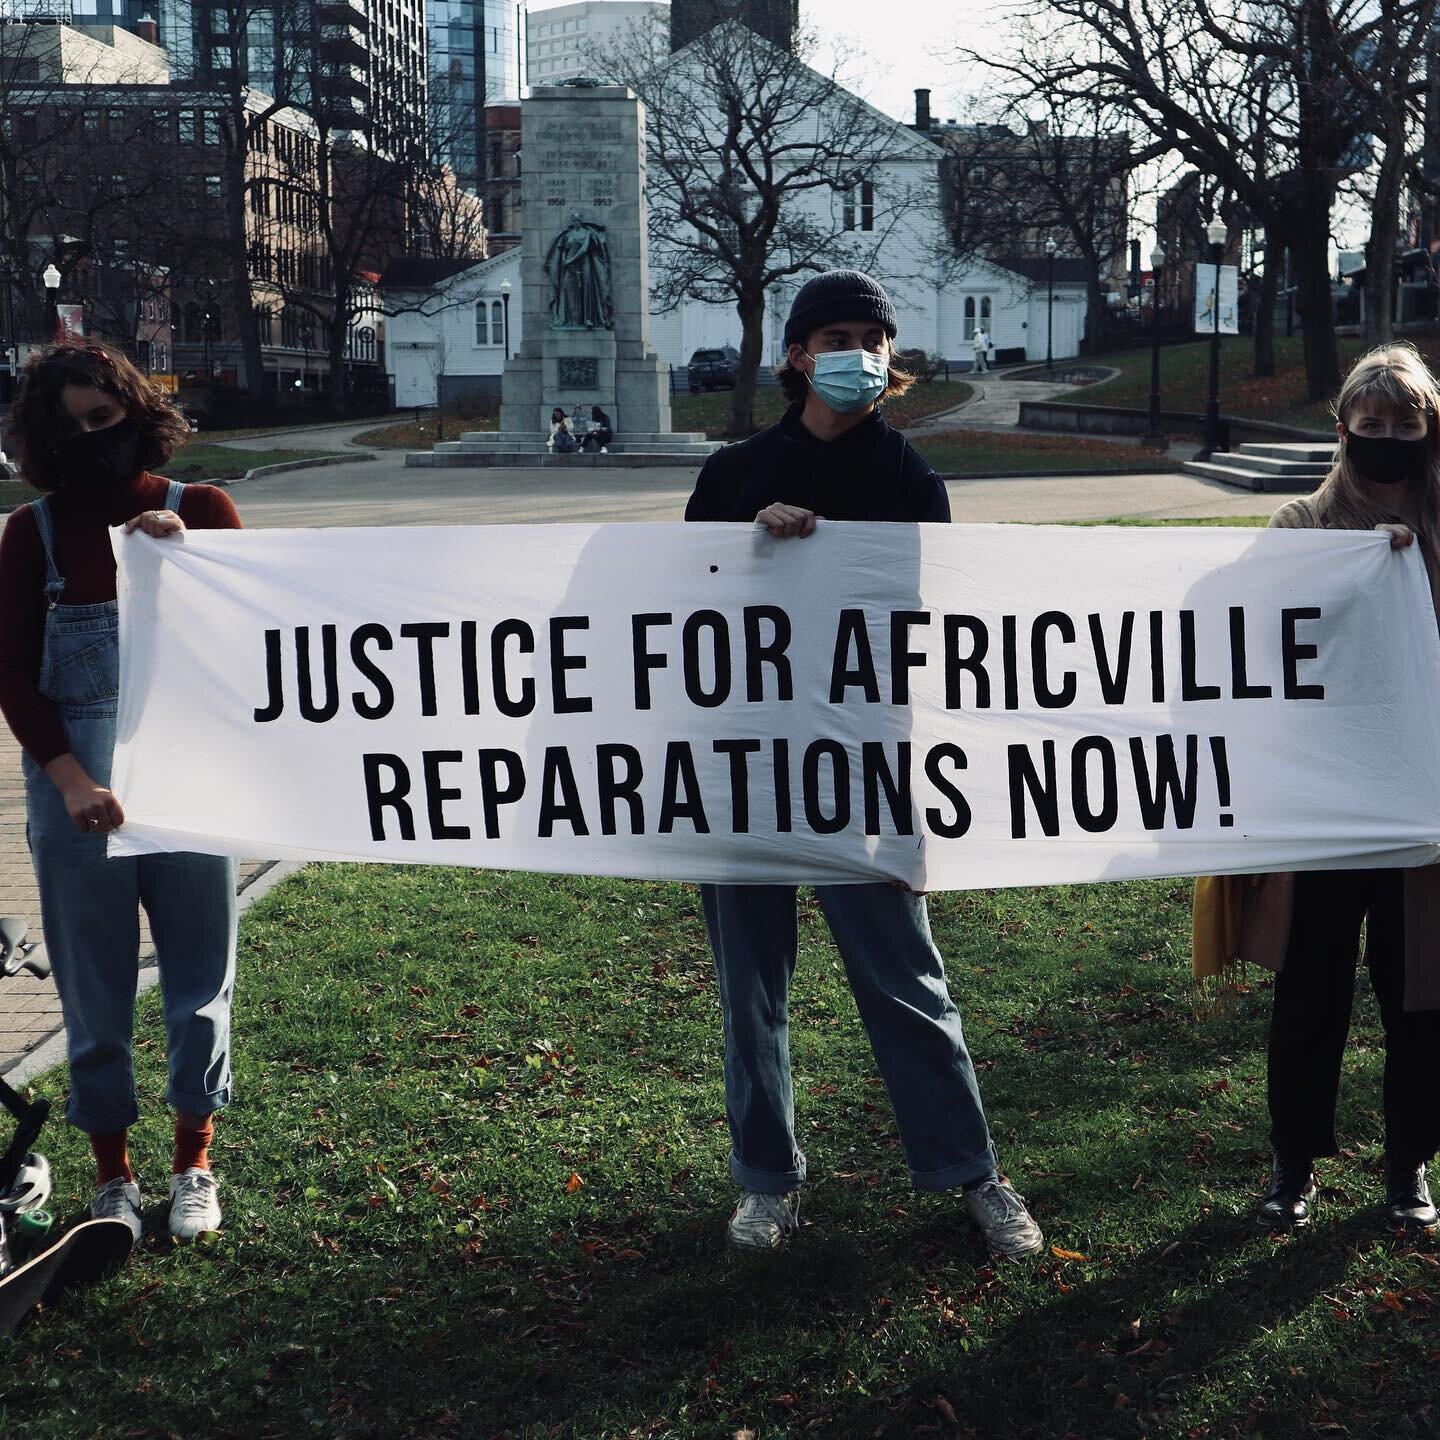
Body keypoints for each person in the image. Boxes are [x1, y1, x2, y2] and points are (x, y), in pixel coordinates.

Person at [684, 269, 1044, 1259]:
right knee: (749, 984)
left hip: (866, 764)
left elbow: (934, 626)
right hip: (746, 762)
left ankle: (971, 1171)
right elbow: (678, 609)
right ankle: (766, 1180)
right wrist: (749, 548)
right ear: (797, 354)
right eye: (835, 336)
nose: (857, 354)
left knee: (904, 975)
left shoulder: (906, 478)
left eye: (871, 338)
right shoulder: (733, 473)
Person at [1193, 342, 1440, 1235]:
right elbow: (1225, 617)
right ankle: (1292, 1164)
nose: (1385, 439)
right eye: (1368, 425)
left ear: (1428, 430)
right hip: (1327, 808)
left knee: (1421, 994)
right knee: (1311, 993)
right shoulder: (1303, 524)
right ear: (1343, 430)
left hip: (1422, 810)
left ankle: (1408, 1165)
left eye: (1402, 425)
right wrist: (1351, 578)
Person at [0, 342, 242, 1243]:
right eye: (68, 428)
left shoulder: (204, 510)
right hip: (75, 805)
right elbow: (16, 677)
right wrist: (70, 781)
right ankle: (113, 1178)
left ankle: (193, 1161)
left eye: (103, 419)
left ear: (137, 411)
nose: (90, 440)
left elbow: (259, 648)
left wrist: (192, 570)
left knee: (199, 981)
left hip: (191, 796)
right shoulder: (33, 535)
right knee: (92, 996)